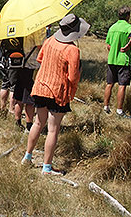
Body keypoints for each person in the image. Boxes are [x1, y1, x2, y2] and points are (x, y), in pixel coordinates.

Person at [22, 14, 90, 175]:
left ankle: (27, 157)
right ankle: (47, 167)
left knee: (38, 123)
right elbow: (73, 77)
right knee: (53, 130)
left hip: (40, 87)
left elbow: (40, 59)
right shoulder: (72, 49)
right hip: (57, 92)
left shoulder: (49, 40)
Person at [103, 6, 131, 119]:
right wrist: (127, 46)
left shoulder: (112, 27)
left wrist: (113, 50)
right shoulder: (129, 27)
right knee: (122, 85)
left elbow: (108, 45)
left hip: (112, 60)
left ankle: (105, 107)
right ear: (128, 16)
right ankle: (119, 111)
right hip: (123, 60)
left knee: (109, 84)